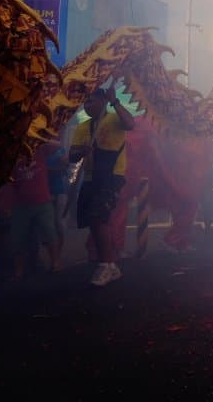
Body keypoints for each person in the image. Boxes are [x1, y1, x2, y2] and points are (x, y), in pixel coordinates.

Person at [69, 87, 136, 287]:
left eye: (91, 101)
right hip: (90, 178)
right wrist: (81, 150)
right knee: (93, 220)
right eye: (85, 102)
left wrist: (115, 101)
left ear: (102, 101)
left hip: (111, 177)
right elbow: (72, 155)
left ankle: (106, 264)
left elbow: (130, 124)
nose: (88, 105)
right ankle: (108, 263)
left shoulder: (115, 118)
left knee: (99, 217)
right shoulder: (83, 127)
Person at [7, 140, 64, 279]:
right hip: (20, 205)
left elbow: (57, 144)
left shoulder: (40, 151)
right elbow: (9, 183)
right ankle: (19, 270)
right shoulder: (10, 156)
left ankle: (56, 264)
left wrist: (37, 137)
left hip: (43, 203)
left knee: (50, 233)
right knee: (17, 239)